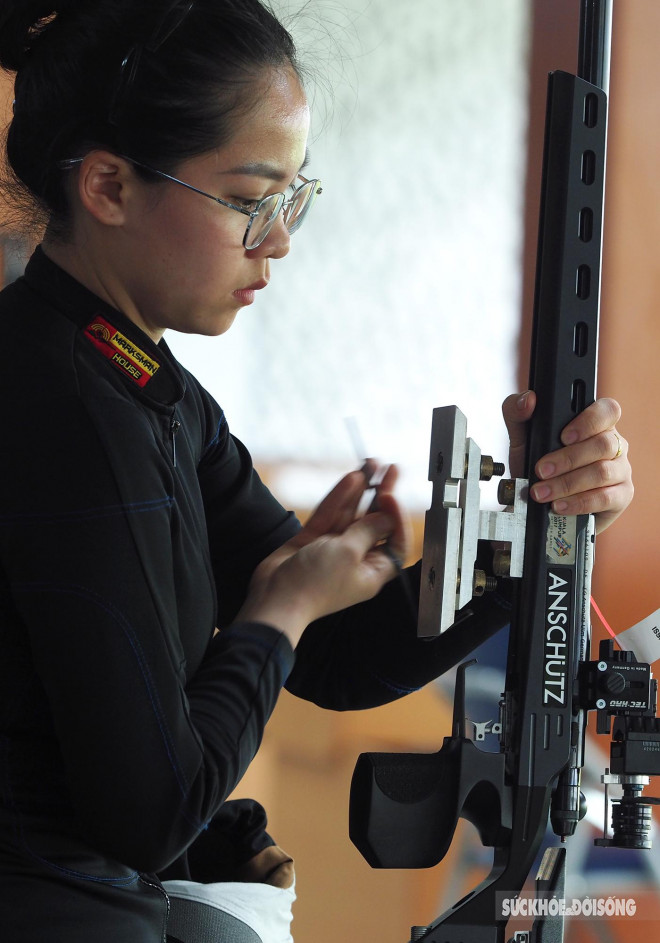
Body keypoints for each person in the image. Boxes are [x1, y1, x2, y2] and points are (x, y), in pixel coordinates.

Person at [0, 2, 634, 941]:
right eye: (251, 199)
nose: (280, 239)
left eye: (294, 197)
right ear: (108, 185)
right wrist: (281, 607)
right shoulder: (68, 406)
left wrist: (543, 521)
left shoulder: (142, 384)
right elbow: (149, 811)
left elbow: (339, 657)